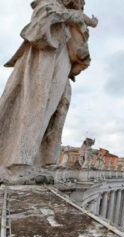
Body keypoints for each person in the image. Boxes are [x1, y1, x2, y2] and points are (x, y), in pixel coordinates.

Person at [0, 0, 97, 181]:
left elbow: (80, 51)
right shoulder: (49, 3)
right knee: (36, 103)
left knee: (57, 108)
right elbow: (41, 25)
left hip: (61, 63)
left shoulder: (69, 16)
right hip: (44, 57)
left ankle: (43, 161)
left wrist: (80, 26)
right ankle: (18, 164)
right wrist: (75, 16)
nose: (82, 2)